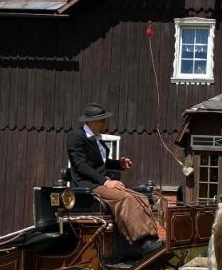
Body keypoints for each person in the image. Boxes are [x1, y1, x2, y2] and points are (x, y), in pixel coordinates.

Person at [67, 103, 163, 257]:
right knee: (124, 198)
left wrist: (119, 164)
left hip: (100, 182)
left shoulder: (96, 139)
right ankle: (141, 243)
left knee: (141, 197)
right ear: (92, 121)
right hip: (88, 185)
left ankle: (151, 238)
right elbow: (81, 165)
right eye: (102, 120)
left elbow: (101, 163)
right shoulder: (76, 136)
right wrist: (106, 182)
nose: (105, 123)